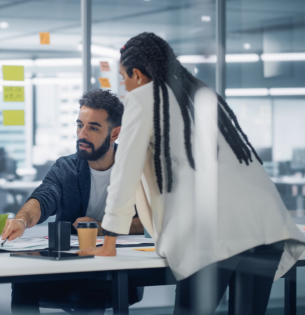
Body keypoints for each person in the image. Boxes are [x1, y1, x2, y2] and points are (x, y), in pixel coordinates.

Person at [79, 32, 305, 315]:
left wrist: (109, 241)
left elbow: (125, 171)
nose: (124, 86)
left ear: (137, 74)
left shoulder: (143, 98)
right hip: (266, 226)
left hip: (211, 232)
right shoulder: (197, 94)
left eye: (124, 77)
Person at [2, 89, 144, 315]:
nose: (82, 134)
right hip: (69, 268)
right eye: (80, 125)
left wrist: (100, 226)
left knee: (95, 283)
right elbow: (43, 197)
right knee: (23, 281)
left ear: (115, 133)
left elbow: (146, 221)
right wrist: (22, 219)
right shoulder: (66, 168)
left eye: (93, 127)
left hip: (116, 268)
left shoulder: (135, 169)